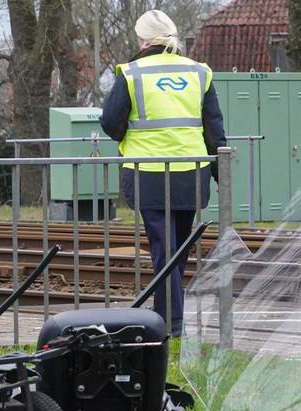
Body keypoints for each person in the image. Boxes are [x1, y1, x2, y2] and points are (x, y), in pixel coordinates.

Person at [100, 9, 227, 337]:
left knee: (163, 248)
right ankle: (171, 317)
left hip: (148, 173)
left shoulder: (132, 73)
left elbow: (110, 121)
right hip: (191, 172)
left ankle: (171, 323)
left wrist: (127, 136)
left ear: (142, 39)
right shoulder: (199, 72)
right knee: (177, 248)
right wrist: (219, 170)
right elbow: (213, 126)